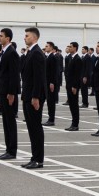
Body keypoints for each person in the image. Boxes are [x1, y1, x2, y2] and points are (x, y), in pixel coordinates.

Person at [19, 26, 47, 169]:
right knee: (31, 127)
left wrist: (36, 97)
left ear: (35, 38)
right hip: (28, 95)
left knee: (36, 127)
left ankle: (38, 159)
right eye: (25, 36)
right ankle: (34, 157)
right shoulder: (30, 52)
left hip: (34, 97)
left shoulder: (37, 53)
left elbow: (39, 78)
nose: (25, 38)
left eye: (27, 36)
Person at [63, 42, 83, 131]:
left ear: (75, 48)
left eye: (71, 47)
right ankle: (73, 123)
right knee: (71, 105)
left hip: (73, 86)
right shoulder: (71, 58)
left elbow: (77, 74)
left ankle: (75, 124)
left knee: (74, 105)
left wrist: (75, 86)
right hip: (69, 85)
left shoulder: (77, 59)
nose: (69, 48)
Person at [45, 42, 62, 126]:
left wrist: (52, 82)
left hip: (51, 83)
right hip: (47, 82)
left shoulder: (53, 57)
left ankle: (51, 119)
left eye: (47, 46)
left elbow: (54, 71)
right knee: (49, 101)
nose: (45, 47)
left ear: (51, 47)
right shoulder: (48, 56)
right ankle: (50, 118)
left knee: (51, 102)